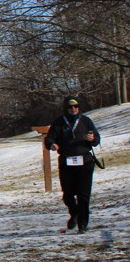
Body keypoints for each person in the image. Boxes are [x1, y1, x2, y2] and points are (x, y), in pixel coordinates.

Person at [43, 96, 101, 234]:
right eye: (70, 107)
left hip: (85, 162)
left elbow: (97, 139)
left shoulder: (86, 121)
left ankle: (83, 224)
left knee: (83, 195)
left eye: (76, 107)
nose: (73, 109)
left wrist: (93, 138)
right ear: (66, 108)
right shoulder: (59, 122)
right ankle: (74, 213)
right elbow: (49, 138)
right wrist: (52, 145)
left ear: (79, 108)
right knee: (68, 194)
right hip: (67, 163)